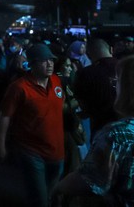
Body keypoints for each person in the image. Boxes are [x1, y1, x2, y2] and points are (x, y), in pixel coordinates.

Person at [51, 55, 134, 206]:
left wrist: (59, 187)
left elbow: (91, 182)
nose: (114, 86)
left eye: (118, 82)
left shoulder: (116, 134)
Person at [0, 43, 65, 207]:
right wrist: (0, 144)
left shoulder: (56, 81)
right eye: (44, 61)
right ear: (32, 64)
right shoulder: (19, 87)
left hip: (57, 150)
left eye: (51, 61)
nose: (49, 64)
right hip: (31, 150)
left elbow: (60, 105)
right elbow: (5, 117)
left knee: (52, 193)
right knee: (39, 198)